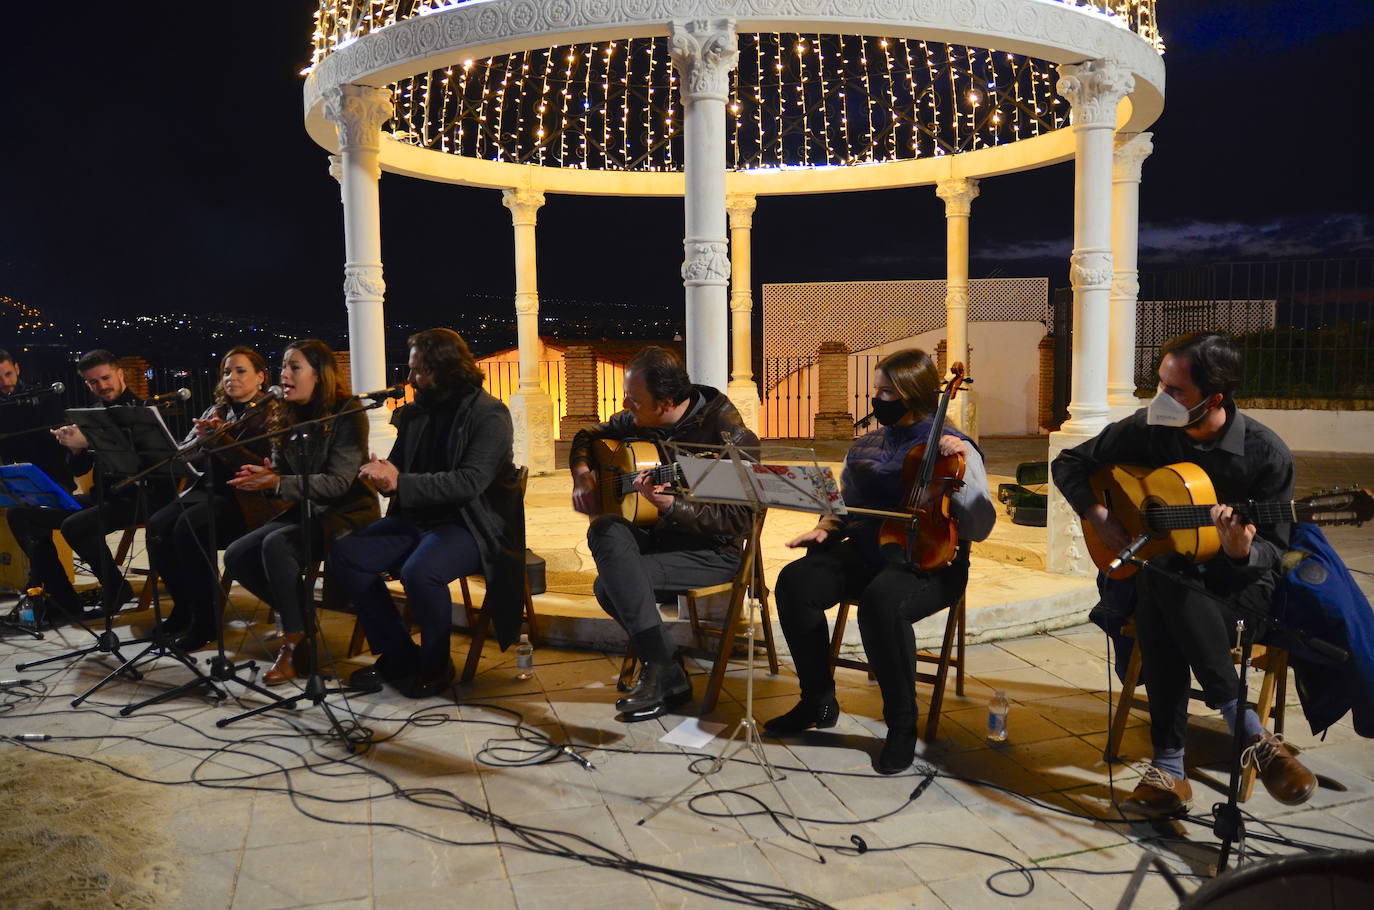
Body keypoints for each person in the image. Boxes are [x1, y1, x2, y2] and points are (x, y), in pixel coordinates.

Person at [1052, 331, 1317, 817]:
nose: (1162, 399)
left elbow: (1275, 553)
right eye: (1160, 385)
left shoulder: (1265, 454)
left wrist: (1241, 551)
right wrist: (1099, 514)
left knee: (1161, 585)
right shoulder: (1152, 426)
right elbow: (1069, 462)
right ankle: (1250, 733)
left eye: (1176, 392)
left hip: (1238, 592)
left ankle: (1169, 769)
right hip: (1169, 578)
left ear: (1213, 399)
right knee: (1164, 574)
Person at [763, 349, 997, 773]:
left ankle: (902, 726)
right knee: (795, 583)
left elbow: (979, 526)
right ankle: (816, 700)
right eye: (877, 391)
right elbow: (846, 506)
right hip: (872, 547)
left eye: (888, 392)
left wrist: (963, 469)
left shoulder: (951, 445)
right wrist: (828, 527)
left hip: (931, 560)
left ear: (914, 393)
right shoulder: (866, 444)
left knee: (882, 604)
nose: (878, 400)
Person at [329, 328, 523, 698]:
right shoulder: (416, 414)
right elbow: (400, 469)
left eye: (419, 370)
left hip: (469, 524)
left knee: (420, 572)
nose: (411, 378)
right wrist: (382, 475)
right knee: (346, 555)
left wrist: (400, 482)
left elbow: (468, 482)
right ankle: (400, 653)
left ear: (447, 369)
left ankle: (436, 663)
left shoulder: (489, 415)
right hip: (416, 519)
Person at [569, 346, 758, 721]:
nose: (626, 405)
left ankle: (663, 669)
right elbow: (589, 433)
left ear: (666, 402)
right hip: (660, 538)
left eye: (633, 400)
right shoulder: (645, 419)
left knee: (609, 587)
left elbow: (738, 521)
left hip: (712, 553)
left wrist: (670, 504)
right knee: (605, 526)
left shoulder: (729, 437)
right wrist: (583, 471)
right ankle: (665, 666)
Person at [224, 339, 378, 685]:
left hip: (347, 512)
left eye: (295, 367)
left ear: (319, 374)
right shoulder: (284, 412)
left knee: (276, 545)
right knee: (237, 555)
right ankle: (302, 623)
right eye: (283, 367)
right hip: (307, 508)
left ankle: (293, 643)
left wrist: (276, 481)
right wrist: (263, 476)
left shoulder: (347, 412)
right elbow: (281, 469)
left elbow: (339, 482)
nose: (285, 375)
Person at [6, 349, 173, 618]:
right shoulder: (91, 414)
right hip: (104, 497)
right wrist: (74, 449)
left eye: (106, 378)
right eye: (94, 382)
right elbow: (79, 470)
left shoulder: (143, 412)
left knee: (75, 525)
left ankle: (116, 588)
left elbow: (150, 465)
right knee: (20, 515)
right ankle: (62, 597)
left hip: (142, 499)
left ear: (120, 374)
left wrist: (90, 443)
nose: (102, 386)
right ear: (87, 384)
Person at [143, 347, 277, 650]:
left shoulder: (270, 413)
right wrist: (201, 442)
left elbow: (258, 465)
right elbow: (183, 453)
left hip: (246, 499)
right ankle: (183, 607)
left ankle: (206, 622)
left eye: (240, 371)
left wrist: (220, 440)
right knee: (156, 527)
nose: (231, 377)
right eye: (226, 371)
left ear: (260, 377)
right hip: (207, 490)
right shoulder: (215, 410)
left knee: (188, 528)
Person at [0, 348, 75, 493]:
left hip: (52, 480)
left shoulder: (44, 398)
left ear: (17, 368)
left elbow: (57, 447)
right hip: (17, 482)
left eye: (8, 374)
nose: (5, 382)